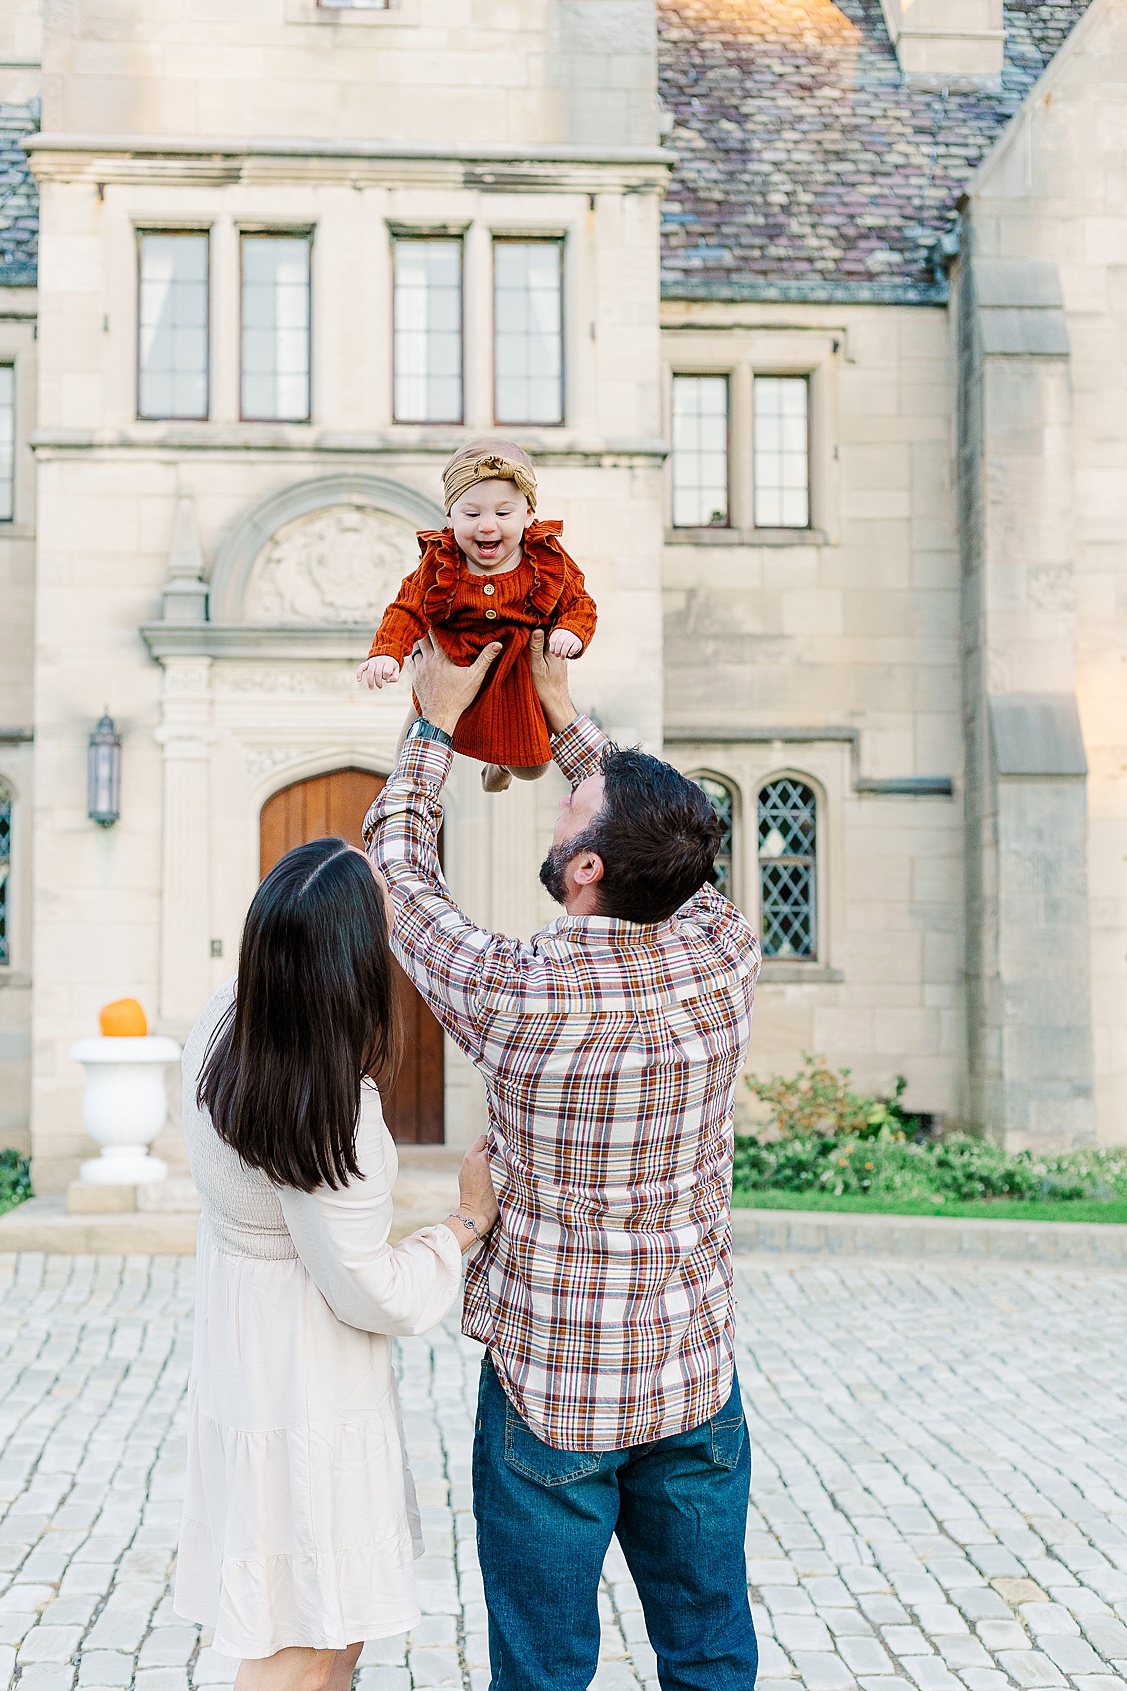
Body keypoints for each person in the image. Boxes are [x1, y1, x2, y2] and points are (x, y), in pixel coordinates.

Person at [364, 631, 762, 1691]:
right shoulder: (725, 952)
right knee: (711, 1652)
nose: (555, 806)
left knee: (541, 1671)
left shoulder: (515, 993)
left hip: (552, 1388)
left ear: (586, 868)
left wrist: (432, 725)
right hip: (690, 1374)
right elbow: (656, 844)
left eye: (568, 814)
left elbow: (398, 877)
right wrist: (562, 707)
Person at [173, 836, 499, 1691]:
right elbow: (370, 1289)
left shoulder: (222, 1021)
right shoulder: (327, 1109)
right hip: (303, 1376)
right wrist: (464, 1223)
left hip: (246, 1344)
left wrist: (423, 716)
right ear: (350, 963)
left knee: (334, 1624)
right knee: (311, 1636)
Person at [356, 437, 597, 793]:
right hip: (450, 667)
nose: (486, 525)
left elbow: (580, 602)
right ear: (450, 515)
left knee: (534, 767)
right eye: (471, 514)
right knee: (405, 752)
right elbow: (406, 607)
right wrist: (387, 652)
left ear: (529, 514)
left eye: (503, 514)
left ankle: (498, 764)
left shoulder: (545, 558)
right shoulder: (441, 560)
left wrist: (571, 632)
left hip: (514, 677)